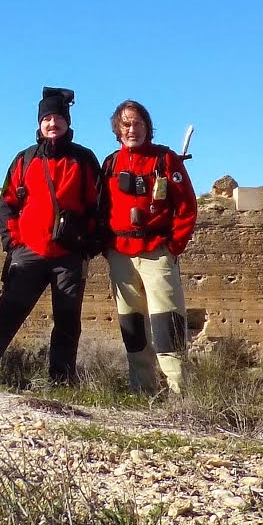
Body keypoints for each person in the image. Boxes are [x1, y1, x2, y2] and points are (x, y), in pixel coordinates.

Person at [0, 87, 103, 385]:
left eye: (58, 118)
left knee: (67, 321)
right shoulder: (24, 160)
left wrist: (87, 247)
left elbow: (98, 206)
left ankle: (61, 380)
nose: (53, 124)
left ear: (67, 122)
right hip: (29, 251)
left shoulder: (84, 160)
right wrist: (13, 244)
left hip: (68, 255)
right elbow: (7, 204)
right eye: (47, 118)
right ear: (39, 124)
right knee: (8, 314)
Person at [99, 100, 196, 395]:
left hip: (156, 252)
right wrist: (107, 246)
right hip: (121, 256)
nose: (132, 129)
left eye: (138, 123)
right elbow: (100, 208)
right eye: (126, 124)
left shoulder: (165, 160)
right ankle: (142, 390)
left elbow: (187, 206)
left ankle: (180, 393)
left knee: (168, 323)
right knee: (132, 325)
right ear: (118, 129)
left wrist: (172, 246)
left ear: (147, 127)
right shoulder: (111, 163)